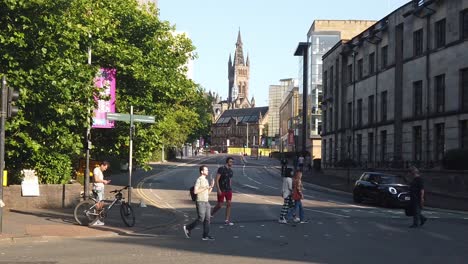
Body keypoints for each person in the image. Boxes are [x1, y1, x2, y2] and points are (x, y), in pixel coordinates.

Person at [183, 165, 215, 240]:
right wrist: (205, 187)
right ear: (202, 171)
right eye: (206, 170)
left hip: (206, 201)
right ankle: (188, 228)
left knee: (207, 219)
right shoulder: (199, 180)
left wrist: (211, 186)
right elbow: (195, 191)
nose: (207, 171)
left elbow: (208, 193)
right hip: (200, 201)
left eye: (207, 170)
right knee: (201, 218)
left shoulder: (206, 180)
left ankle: (205, 235)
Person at [211, 157, 234, 226]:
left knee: (229, 204)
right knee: (220, 205)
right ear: (227, 162)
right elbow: (217, 179)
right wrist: (218, 189)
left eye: (232, 162)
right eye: (230, 162)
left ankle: (227, 220)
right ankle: (210, 214)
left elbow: (229, 179)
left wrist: (230, 187)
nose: (232, 163)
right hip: (221, 189)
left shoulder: (231, 171)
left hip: (228, 190)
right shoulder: (221, 169)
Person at [92, 161, 111, 226]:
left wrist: (104, 182)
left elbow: (99, 180)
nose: (105, 169)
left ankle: (98, 220)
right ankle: (95, 220)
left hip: (100, 189)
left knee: (101, 204)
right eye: (105, 168)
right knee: (98, 205)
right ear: (102, 165)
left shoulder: (100, 171)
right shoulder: (96, 169)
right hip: (98, 189)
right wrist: (103, 181)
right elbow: (96, 179)